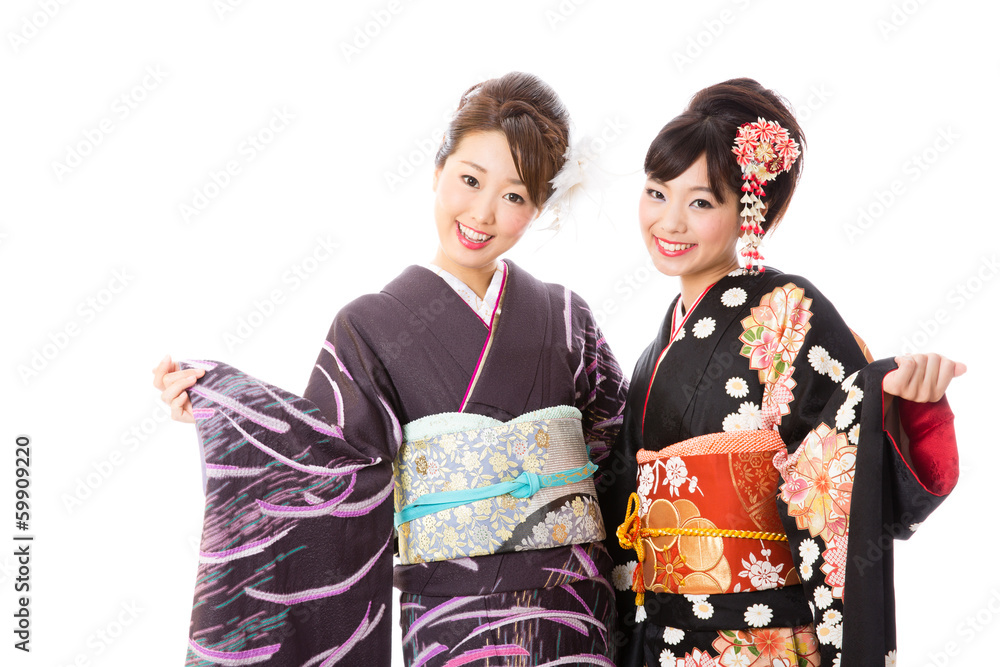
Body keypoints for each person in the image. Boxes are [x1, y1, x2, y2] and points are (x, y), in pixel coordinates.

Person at [153, 72, 628, 666]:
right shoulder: (370, 326)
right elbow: (322, 466)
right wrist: (227, 409)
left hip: (577, 608)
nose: (482, 211)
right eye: (470, 179)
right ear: (437, 171)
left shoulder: (565, 316)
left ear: (535, 209)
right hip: (452, 614)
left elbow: (620, 453)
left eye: (513, 196)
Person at [604, 78, 963, 666]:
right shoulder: (659, 340)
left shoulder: (791, 309)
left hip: (756, 638)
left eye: (700, 202)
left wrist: (886, 401)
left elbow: (841, 451)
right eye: (656, 192)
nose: (669, 221)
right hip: (660, 634)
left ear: (753, 210)